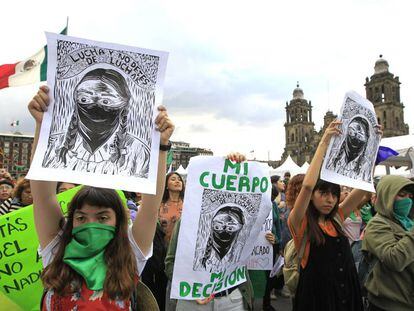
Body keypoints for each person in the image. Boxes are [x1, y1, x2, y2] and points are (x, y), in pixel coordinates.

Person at [28, 85, 174, 310]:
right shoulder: (58, 250)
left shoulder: (130, 255)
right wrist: (43, 125)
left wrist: (162, 145)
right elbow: (43, 195)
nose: (90, 224)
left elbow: (151, 204)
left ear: (118, 221)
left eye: (102, 217)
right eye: (81, 217)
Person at [288, 120, 375, 311]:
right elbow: (308, 185)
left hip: (346, 294)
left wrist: (372, 146)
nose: (330, 200)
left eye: (334, 195)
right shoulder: (299, 222)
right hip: (318, 298)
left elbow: (363, 188)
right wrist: (324, 142)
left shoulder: (336, 219)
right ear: (312, 197)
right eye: (324, 193)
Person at [165, 153, 254, 311]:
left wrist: (238, 165)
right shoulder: (187, 221)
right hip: (193, 301)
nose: (224, 231)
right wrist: (193, 289)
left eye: (230, 227)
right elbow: (170, 263)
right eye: (218, 226)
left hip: (232, 300)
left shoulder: (242, 221)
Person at [43, 68, 150, 177]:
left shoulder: (137, 150)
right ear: (76, 102)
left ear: (123, 105)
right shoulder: (55, 143)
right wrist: (40, 123)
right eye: (84, 99)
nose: (95, 108)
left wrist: (162, 147)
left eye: (106, 101)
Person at [361, 175, 414, 311]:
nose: (407, 200)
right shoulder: (377, 223)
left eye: (410, 196)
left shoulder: (408, 222)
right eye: (402, 195)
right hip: (390, 304)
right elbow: (394, 259)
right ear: (387, 196)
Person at [327, 116, 372, 181]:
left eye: (360, 135)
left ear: (366, 140)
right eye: (351, 131)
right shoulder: (333, 157)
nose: (354, 136)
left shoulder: (366, 165)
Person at [159, 172, 185, 243]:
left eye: (179, 180)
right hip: (164, 247)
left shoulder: (188, 204)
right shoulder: (160, 205)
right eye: (173, 179)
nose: (177, 181)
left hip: (182, 245)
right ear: (166, 185)